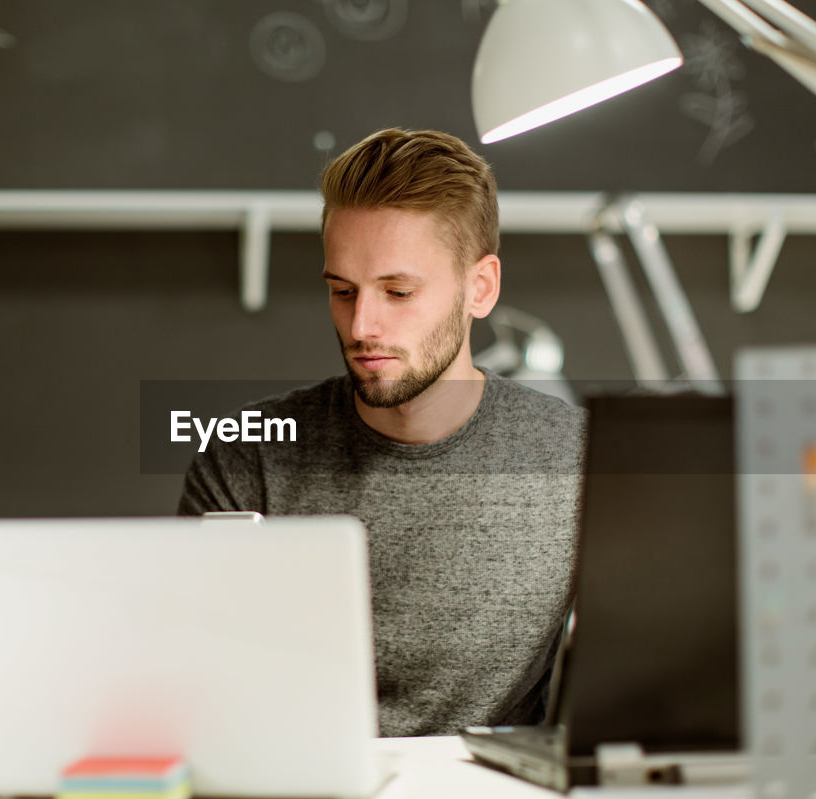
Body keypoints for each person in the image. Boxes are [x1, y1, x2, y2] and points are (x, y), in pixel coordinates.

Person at [178, 128, 586, 737]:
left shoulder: (577, 459)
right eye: (342, 292)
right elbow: (189, 685)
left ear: (481, 288)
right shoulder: (247, 454)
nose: (361, 325)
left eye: (398, 292)